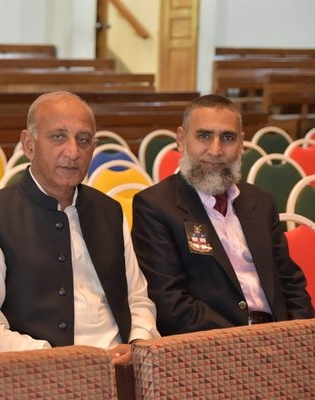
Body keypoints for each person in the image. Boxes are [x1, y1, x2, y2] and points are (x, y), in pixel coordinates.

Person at [0, 91, 159, 364]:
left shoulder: (110, 211)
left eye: (83, 140)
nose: (73, 152)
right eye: (58, 137)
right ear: (29, 144)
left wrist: (138, 342)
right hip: (40, 370)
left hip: (121, 362)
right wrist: (52, 358)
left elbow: (137, 299)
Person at [131, 94, 314, 336]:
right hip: (212, 343)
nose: (216, 150)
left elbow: (290, 283)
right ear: (181, 140)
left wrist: (300, 336)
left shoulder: (261, 202)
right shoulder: (156, 206)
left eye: (228, 138)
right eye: (204, 136)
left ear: (241, 144)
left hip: (279, 335)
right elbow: (170, 304)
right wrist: (244, 340)